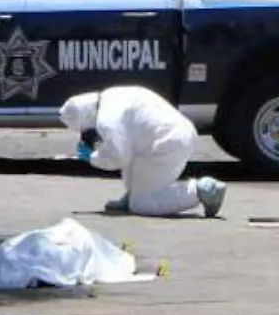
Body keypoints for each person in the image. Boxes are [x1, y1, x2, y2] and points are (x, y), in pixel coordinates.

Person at [59, 87, 227, 218]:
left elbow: (119, 158)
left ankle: (201, 191)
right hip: (174, 134)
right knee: (135, 159)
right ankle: (133, 195)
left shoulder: (107, 120)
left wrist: (93, 157)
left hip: (167, 143)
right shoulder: (112, 95)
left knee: (143, 204)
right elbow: (128, 146)